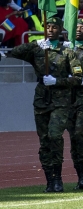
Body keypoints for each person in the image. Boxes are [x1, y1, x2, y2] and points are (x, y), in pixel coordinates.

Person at [5, 18, 73, 192]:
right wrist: (36, 43)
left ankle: (58, 178)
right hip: (42, 100)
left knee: (55, 136)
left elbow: (78, 78)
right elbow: (17, 52)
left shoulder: (67, 51)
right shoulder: (38, 48)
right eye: (48, 27)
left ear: (61, 30)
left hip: (60, 101)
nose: (50, 30)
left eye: (54, 27)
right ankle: (49, 180)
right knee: (44, 141)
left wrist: (58, 81)